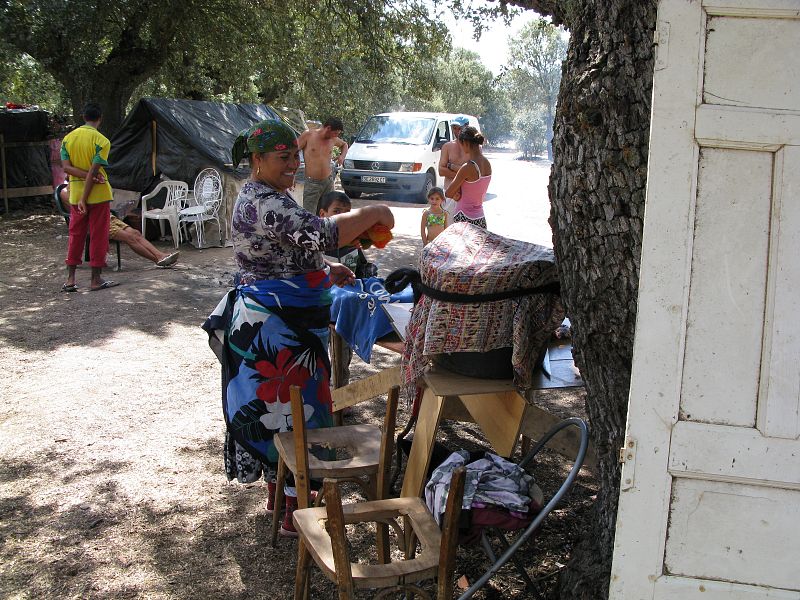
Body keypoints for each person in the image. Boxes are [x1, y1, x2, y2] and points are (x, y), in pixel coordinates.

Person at [202, 119, 393, 538]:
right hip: (278, 329)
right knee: (296, 418)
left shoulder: (268, 195)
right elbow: (322, 233)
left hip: (276, 320)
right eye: (283, 157)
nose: (292, 164)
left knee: (283, 417)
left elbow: (288, 248)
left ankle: (281, 501)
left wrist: (326, 268)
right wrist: (374, 212)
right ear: (256, 160)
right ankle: (295, 513)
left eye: (295, 155)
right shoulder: (264, 201)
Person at [60, 103, 117, 292]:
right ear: (100, 118)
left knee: (75, 235)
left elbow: (66, 168)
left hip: (75, 195)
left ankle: (70, 279)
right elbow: (94, 169)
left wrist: (82, 193)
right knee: (98, 236)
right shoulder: (102, 141)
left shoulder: (68, 139)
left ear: (83, 116)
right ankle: (95, 279)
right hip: (98, 195)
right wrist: (89, 181)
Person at [58, 182, 180, 267]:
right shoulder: (65, 192)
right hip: (92, 222)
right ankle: (157, 259)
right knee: (129, 237)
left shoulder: (83, 186)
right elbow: (83, 209)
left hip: (105, 216)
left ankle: (160, 254)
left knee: (135, 233)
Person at [317, 191, 377, 279]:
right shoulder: (316, 241)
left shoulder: (352, 241)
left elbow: (361, 269)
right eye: (336, 211)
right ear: (322, 214)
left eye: (347, 213)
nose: (343, 217)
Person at [297, 117, 349, 213]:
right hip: (312, 183)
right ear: (328, 128)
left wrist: (342, 156)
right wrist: (291, 173)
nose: (336, 136)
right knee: (309, 214)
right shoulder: (308, 135)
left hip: (328, 182)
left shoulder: (333, 139)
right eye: (335, 133)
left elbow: (344, 145)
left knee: (328, 212)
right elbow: (293, 152)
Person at [445, 126, 492, 229]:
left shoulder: (467, 167)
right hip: (480, 217)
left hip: (464, 217)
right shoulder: (487, 163)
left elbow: (448, 193)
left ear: (465, 143)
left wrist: (455, 195)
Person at [438, 115, 470, 217]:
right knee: (448, 229)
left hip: (468, 195)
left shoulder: (475, 148)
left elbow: (476, 172)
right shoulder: (447, 147)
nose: (457, 131)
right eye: (454, 128)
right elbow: (441, 171)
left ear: (467, 127)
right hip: (450, 194)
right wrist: (463, 174)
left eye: (460, 128)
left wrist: (451, 166)